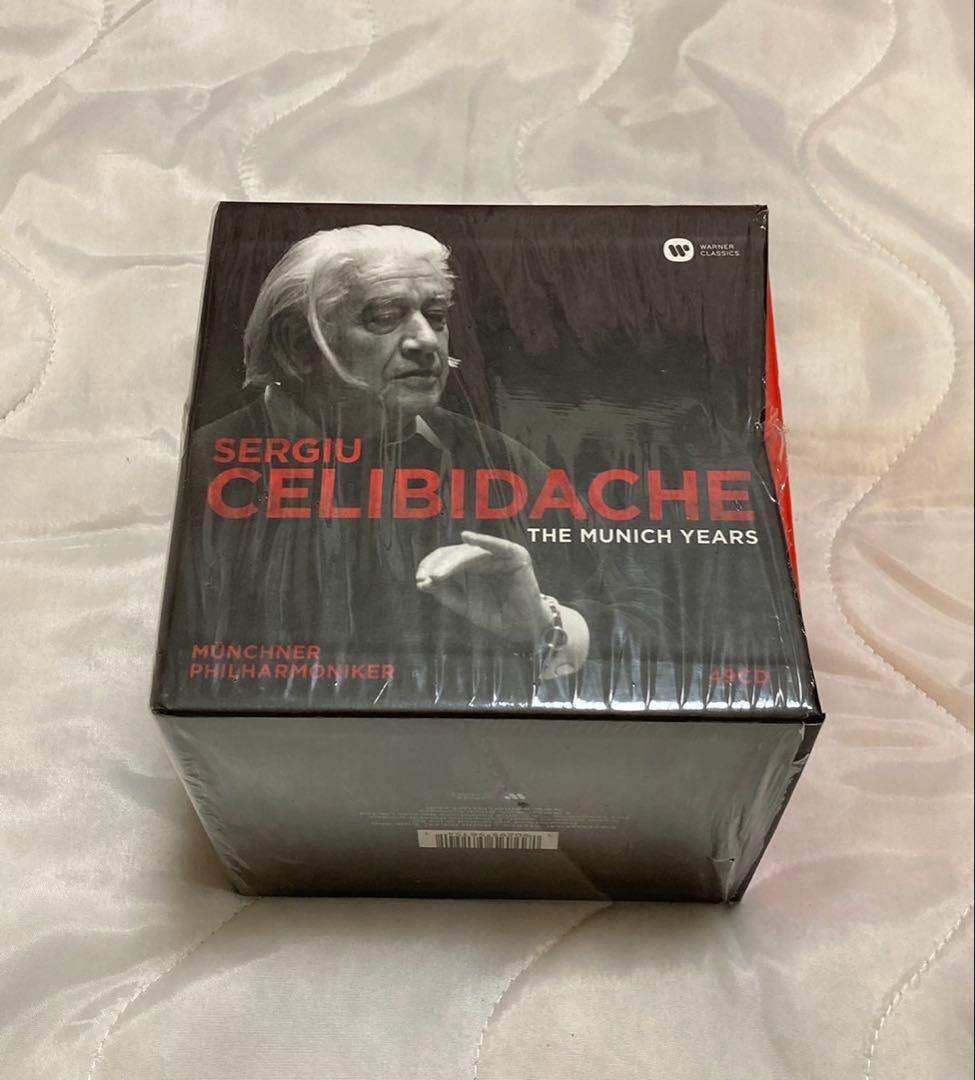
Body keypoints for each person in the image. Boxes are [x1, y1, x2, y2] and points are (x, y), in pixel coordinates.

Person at [181, 225, 598, 703]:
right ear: (299, 344)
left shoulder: (500, 463)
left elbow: (637, 608)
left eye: (436, 316)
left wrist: (542, 625)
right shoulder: (205, 469)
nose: (426, 341)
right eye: (384, 318)